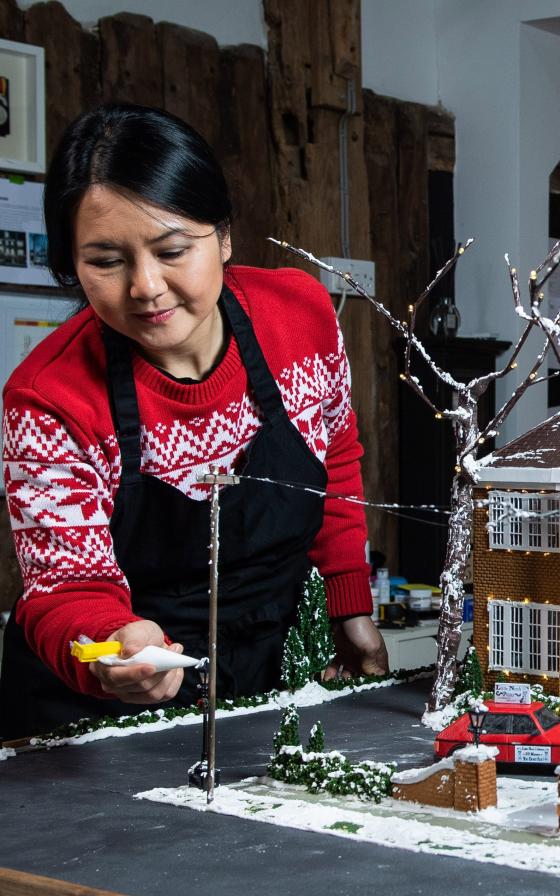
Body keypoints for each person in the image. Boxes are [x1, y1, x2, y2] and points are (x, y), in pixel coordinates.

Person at [0, 103, 387, 740]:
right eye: (105, 261)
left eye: (172, 249)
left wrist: (349, 606)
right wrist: (113, 646)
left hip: (266, 677)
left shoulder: (299, 314)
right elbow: (63, 587)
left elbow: (335, 457)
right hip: (101, 716)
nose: (146, 286)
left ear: (224, 237)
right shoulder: (50, 396)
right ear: (73, 265)